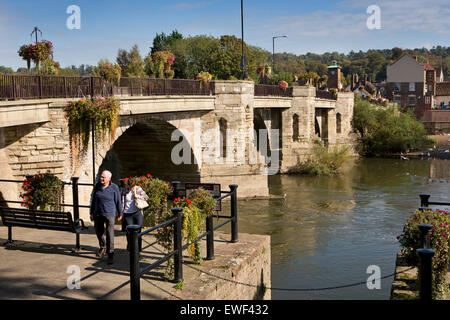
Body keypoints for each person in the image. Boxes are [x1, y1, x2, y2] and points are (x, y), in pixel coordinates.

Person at [90, 170, 122, 265]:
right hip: (98, 213)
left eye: (104, 177)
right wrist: (91, 212)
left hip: (109, 214)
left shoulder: (114, 187)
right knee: (98, 231)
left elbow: (118, 201)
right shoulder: (97, 186)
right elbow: (93, 200)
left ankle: (110, 255)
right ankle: (102, 246)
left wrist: (120, 213)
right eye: (101, 177)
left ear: (109, 178)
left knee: (110, 234)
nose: (101, 179)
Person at [121, 177, 149, 251]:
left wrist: (137, 196)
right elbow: (122, 202)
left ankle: (138, 249)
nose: (131, 188)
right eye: (130, 186)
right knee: (129, 232)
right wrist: (121, 213)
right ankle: (130, 245)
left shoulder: (138, 189)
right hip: (127, 213)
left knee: (138, 232)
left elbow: (146, 197)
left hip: (137, 213)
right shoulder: (124, 190)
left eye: (132, 186)